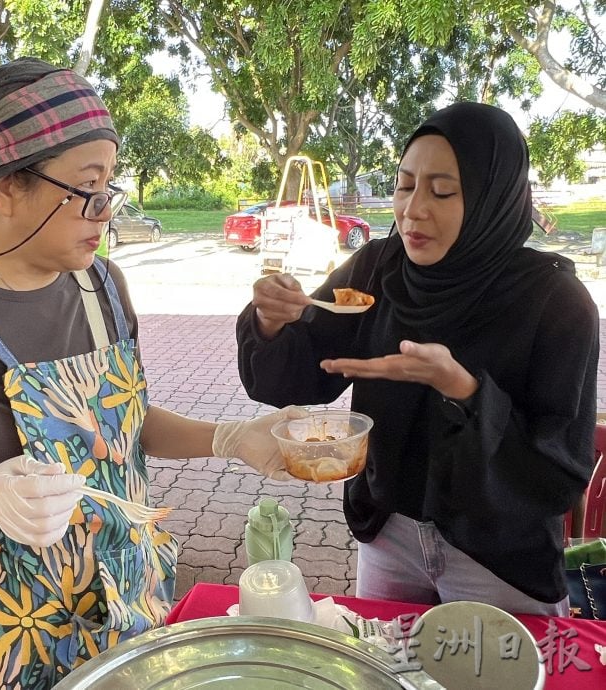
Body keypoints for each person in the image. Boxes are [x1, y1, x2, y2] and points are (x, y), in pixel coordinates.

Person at [0, 58, 300, 690]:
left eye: (111, 188)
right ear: (6, 187)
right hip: (9, 627)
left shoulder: (101, 286)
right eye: (87, 188)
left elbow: (121, 424)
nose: (104, 211)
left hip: (131, 598)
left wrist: (231, 438)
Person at [235, 102, 599, 616]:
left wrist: (465, 392)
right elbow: (301, 372)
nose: (412, 210)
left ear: (493, 197)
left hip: (499, 554)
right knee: (390, 669)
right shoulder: (377, 269)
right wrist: (272, 321)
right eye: (405, 185)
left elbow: (559, 468)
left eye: (443, 190)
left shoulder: (555, 303)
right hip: (390, 534)